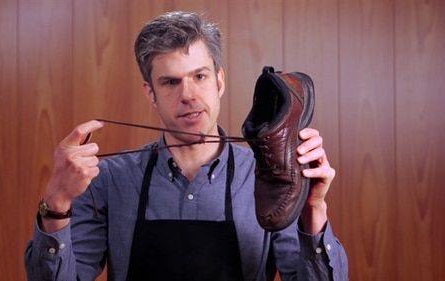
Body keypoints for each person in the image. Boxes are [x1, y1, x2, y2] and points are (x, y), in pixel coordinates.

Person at [25, 11, 348, 281]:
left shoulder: (270, 179)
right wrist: (57, 201)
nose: (188, 95)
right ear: (151, 93)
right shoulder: (109, 180)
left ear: (219, 81)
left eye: (200, 77)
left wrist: (313, 209)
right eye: (170, 82)